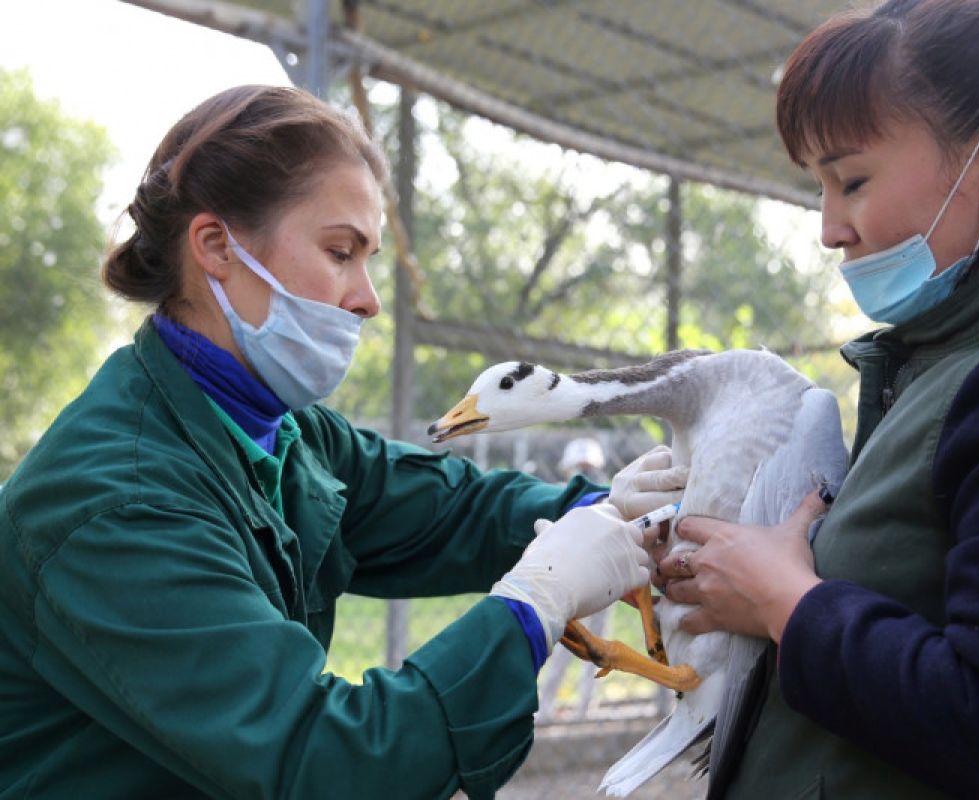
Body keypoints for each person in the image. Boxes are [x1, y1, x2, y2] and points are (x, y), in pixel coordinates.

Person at [0, 85, 674, 798]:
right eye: (340, 251)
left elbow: (450, 511)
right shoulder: (117, 503)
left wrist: (609, 508)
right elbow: (331, 764)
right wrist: (533, 604)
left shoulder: (279, 431)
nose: (368, 297)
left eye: (368, 257)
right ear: (217, 246)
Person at [647, 1, 979, 797]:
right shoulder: (943, 365)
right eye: (820, 187)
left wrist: (789, 604)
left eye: (853, 179)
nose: (830, 227)